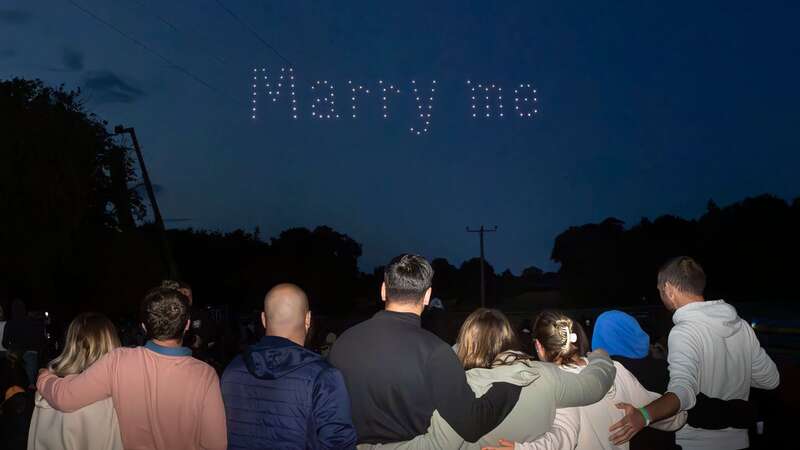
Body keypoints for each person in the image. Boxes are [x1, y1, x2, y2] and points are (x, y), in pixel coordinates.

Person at [329, 254, 523, 444]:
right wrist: (512, 380)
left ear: (383, 290)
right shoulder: (435, 353)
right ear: (427, 296)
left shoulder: (343, 342)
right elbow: (472, 424)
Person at [359, 308, 617, 450]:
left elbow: (435, 446)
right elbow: (595, 386)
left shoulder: (466, 388)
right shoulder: (545, 374)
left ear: (466, 344)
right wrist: (600, 355)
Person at [609, 257, 780, 450]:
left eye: (659, 290)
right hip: (740, 440)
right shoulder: (741, 325)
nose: (660, 295)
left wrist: (644, 415)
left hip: (698, 443)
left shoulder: (684, 331)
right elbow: (770, 379)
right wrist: (731, 371)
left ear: (669, 289)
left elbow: (683, 392)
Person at [36, 287, 226, 450]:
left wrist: (45, 377)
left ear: (143, 327)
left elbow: (65, 398)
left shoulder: (119, 361)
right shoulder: (205, 375)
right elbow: (216, 445)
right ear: (187, 325)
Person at [486, 311, 686, 450]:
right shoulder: (614, 369)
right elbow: (672, 417)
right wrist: (646, 416)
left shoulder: (553, 382)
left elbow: (564, 437)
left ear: (538, 346)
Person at [221, 283, 357, 449]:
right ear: (308, 319)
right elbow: (339, 444)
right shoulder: (324, 377)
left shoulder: (231, 370)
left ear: (264, 319)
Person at [28, 312, 123, 450]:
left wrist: (44, 377)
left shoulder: (47, 393)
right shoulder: (121, 395)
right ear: (112, 341)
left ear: (71, 343)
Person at [2, 299, 46, 387]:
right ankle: (31, 385)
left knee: (13, 362)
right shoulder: (32, 322)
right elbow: (40, 339)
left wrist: (11, 348)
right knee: (31, 360)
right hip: (29, 351)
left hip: (17, 352)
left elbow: (4, 342)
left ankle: (16, 386)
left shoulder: (10, 323)